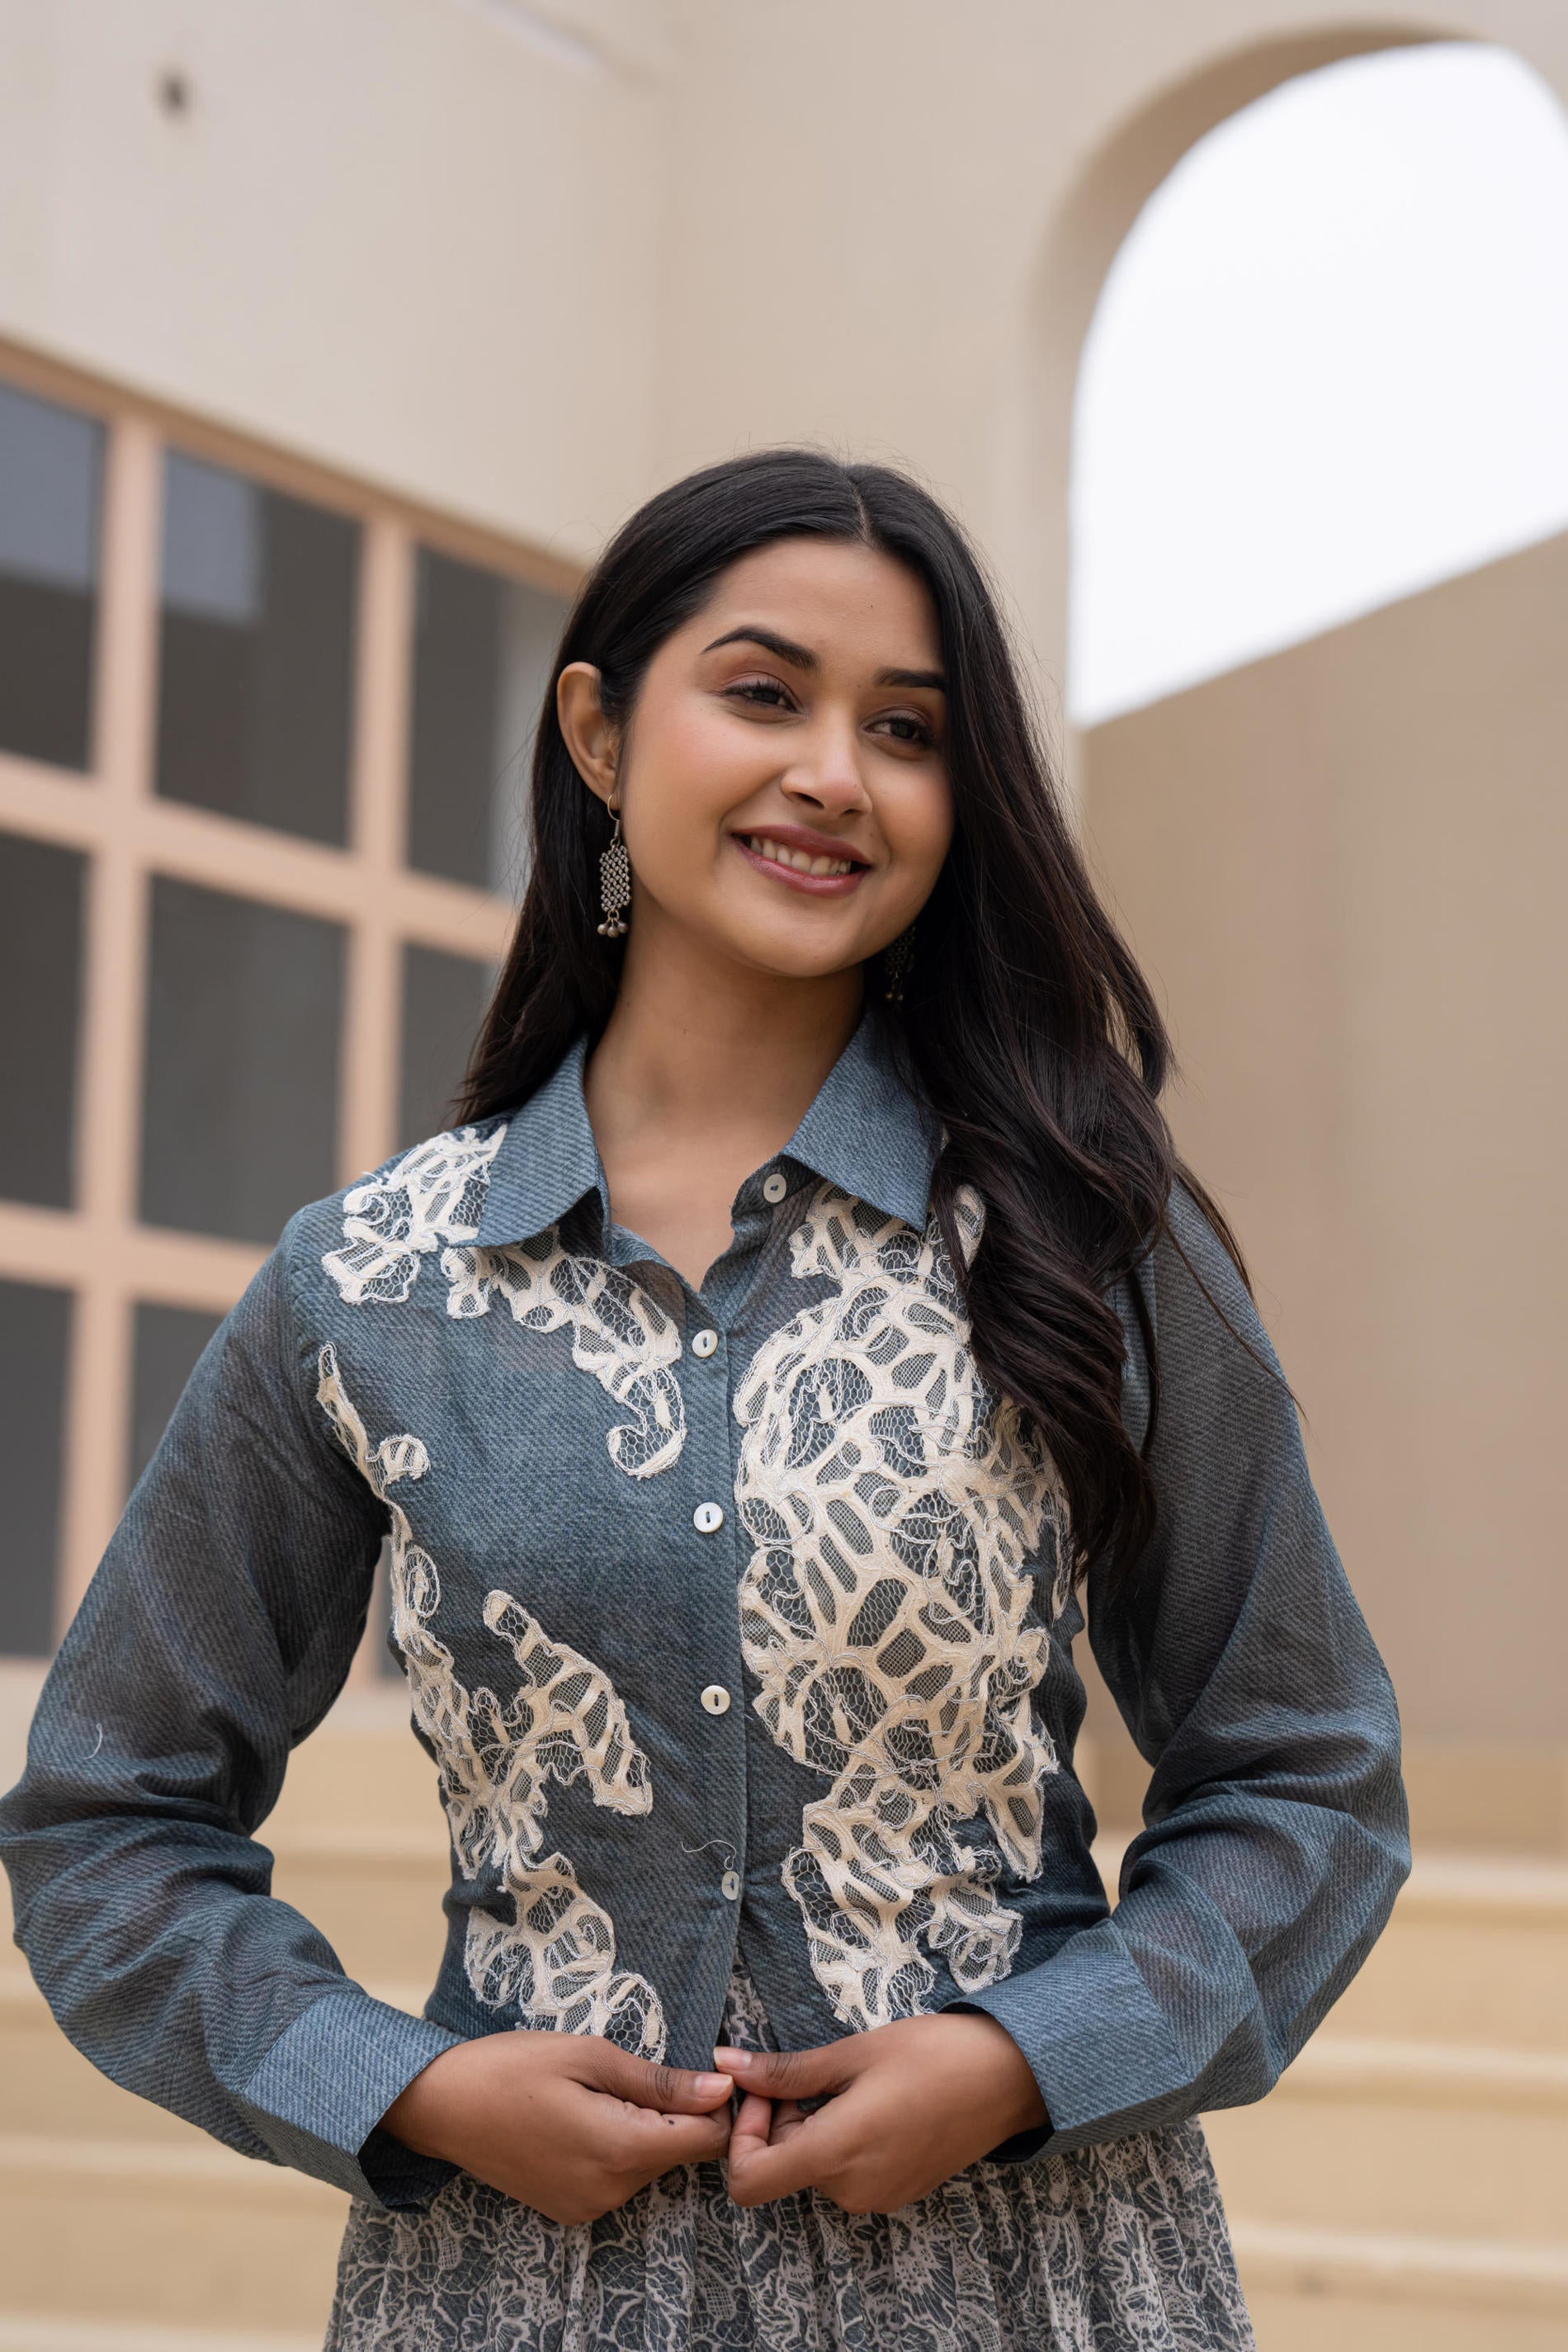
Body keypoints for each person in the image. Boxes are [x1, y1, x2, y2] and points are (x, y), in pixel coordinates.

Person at [1, 450, 1410, 2351]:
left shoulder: (1086, 1240)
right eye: (763, 694)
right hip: (521, 2295)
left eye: (904, 730)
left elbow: (1305, 1775)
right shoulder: (373, 1284)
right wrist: (406, 2089)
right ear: (596, 732)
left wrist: (1022, 2057)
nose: (833, 772)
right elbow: (104, 1824)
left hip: (1028, 2282)